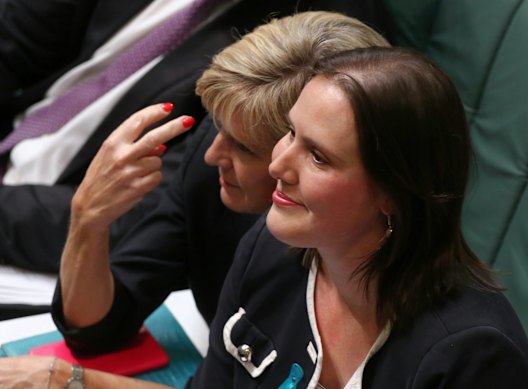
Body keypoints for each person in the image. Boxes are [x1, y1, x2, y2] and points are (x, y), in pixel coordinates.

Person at [0, 11, 390, 388]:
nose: (211, 155)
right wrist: (87, 217)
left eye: (243, 147)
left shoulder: (347, 267)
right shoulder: (211, 175)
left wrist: (66, 381)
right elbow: (99, 326)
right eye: (215, 126)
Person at [191, 47, 528, 387]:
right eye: (291, 133)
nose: (277, 165)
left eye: (318, 157)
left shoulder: (474, 359)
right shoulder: (267, 249)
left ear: (393, 195)